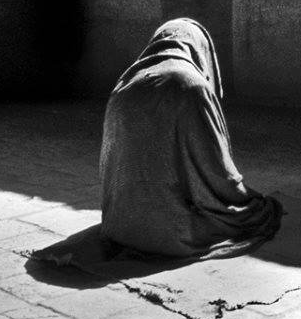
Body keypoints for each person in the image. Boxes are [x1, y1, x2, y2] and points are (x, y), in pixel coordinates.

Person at [99, 18, 282, 258]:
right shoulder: (189, 85)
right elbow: (217, 172)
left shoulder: (124, 85)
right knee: (257, 213)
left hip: (118, 225)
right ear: (200, 49)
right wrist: (245, 201)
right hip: (174, 232)